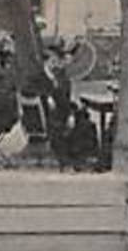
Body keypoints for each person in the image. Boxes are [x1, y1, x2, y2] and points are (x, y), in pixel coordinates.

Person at [27, 40, 99, 170]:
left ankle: (86, 159)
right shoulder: (37, 78)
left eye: (56, 60)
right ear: (45, 62)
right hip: (47, 118)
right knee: (62, 128)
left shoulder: (62, 77)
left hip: (63, 113)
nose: (55, 64)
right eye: (51, 61)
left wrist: (71, 113)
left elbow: (67, 99)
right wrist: (46, 96)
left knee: (86, 123)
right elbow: (28, 90)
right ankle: (69, 160)